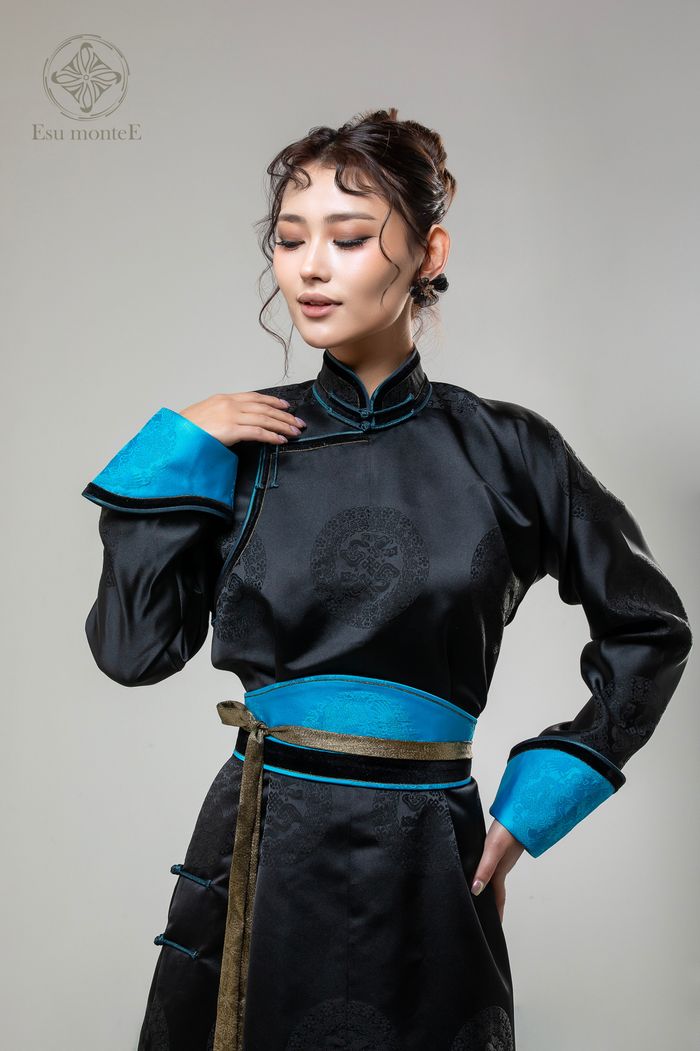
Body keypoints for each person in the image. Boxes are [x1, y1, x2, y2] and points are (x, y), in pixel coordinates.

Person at [81, 108, 692, 1051]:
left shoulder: (508, 449)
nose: (310, 268)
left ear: (428, 251)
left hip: (430, 855)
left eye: (349, 237)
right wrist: (176, 444)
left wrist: (536, 804)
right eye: (290, 240)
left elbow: (649, 626)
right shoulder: (240, 443)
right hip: (261, 848)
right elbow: (134, 652)